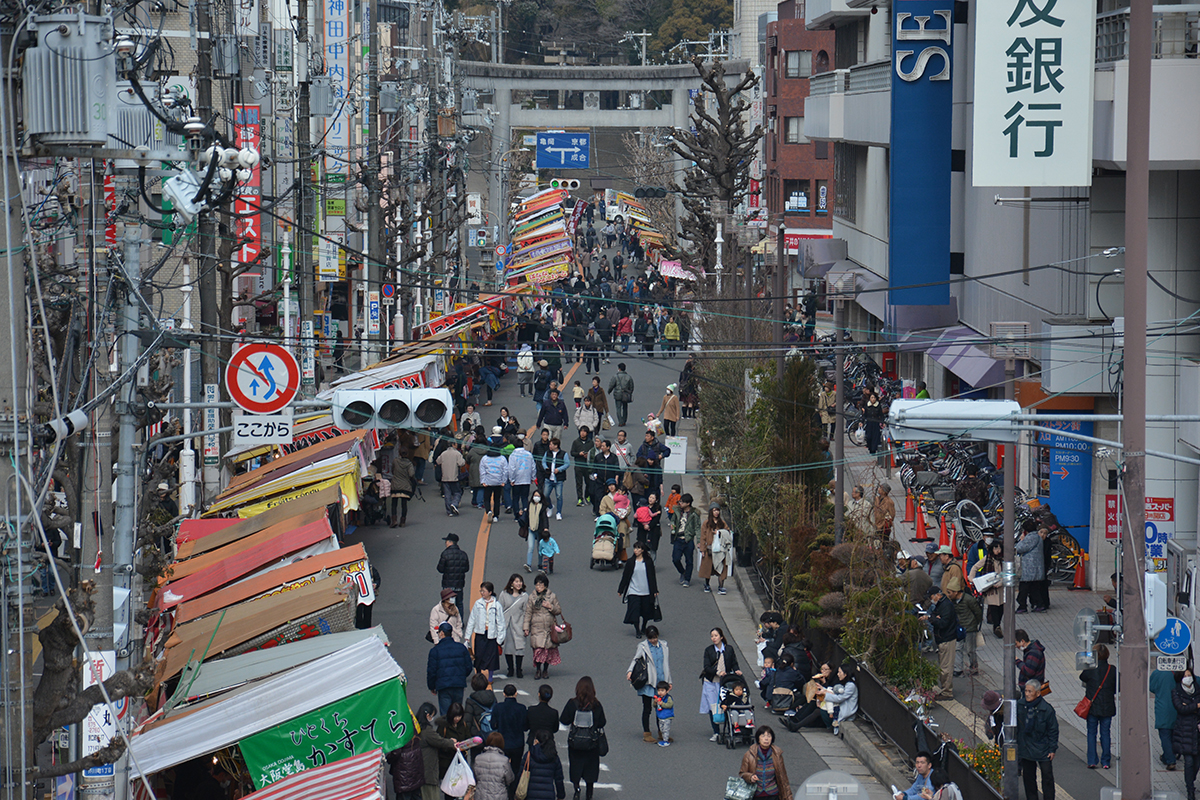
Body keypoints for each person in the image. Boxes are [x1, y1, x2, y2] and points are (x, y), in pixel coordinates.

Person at [559, 677, 607, 800]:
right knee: (591, 767)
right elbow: (602, 722)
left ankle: (577, 789)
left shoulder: (572, 703)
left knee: (575, 765)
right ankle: (589, 792)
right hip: (592, 742)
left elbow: (564, 719)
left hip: (575, 742)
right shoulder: (596, 705)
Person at [626, 624, 672, 742]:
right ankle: (647, 733)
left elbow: (666, 664)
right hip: (649, 682)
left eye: (655, 637)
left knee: (660, 708)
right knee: (647, 708)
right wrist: (630, 671)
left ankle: (662, 732)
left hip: (661, 683)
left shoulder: (664, 646)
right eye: (650, 638)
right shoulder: (643, 646)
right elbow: (635, 659)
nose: (653, 640)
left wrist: (669, 681)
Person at [1016, 679, 1058, 800]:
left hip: (1043, 747)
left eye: (1030, 691)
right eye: (1026, 691)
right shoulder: (1020, 705)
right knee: (1028, 777)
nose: (1027, 694)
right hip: (1026, 747)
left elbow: (1053, 730)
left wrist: (1052, 749)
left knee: (1047, 776)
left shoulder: (1046, 709)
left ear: (1038, 693)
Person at [789, 662, 858, 734]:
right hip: (837, 707)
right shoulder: (845, 683)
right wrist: (823, 689)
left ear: (845, 674)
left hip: (843, 711)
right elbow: (834, 694)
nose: (838, 674)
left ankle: (797, 725)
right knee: (815, 708)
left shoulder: (850, 686)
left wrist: (825, 693)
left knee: (818, 711)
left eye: (840, 672)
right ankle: (796, 723)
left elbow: (839, 698)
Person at [1079, 643, 1117, 769]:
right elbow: (1118, 687)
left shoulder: (1090, 669)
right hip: (1107, 706)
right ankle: (1106, 761)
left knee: (1091, 733)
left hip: (1092, 706)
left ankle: (1092, 760)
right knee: (1105, 733)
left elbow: (1082, 677)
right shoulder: (1112, 669)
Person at [700, 627, 742, 741]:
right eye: (712, 636)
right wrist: (718, 672)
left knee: (727, 704)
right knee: (713, 706)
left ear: (721, 637)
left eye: (716, 636)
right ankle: (716, 732)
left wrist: (737, 670)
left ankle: (731, 729)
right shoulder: (709, 650)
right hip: (711, 682)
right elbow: (707, 667)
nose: (714, 638)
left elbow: (734, 662)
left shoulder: (729, 649)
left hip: (725, 682)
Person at [413, 702, 458, 800]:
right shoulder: (427, 731)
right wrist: (452, 743)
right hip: (428, 771)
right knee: (431, 795)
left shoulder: (416, 727)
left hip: (419, 768)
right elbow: (439, 741)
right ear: (427, 716)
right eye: (432, 715)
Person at [427, 622, 473, 716]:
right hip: (458, 684)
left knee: (446, 714)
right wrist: (461, 676)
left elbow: (432, 671)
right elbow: (468, 666)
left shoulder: (435, 651)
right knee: (457, 712)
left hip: (443, 686)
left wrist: (432, 686)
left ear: (442, 633)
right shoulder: (461, 648)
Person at [921, 585, 957, 700]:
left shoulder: (946, 606)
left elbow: (943, 623)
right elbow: (936, 617)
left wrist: (932, 619)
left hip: (947, 638)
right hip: (943, 638)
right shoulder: (941, 604)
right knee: (944, 666)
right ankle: (945, 689)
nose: (931, 599)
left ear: (937, 595)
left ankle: (947, 692)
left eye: (931, 597)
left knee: (945, 667)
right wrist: (935, 617)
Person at [524, 573, 563, 679]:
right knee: (538, 650)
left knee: (548, 650)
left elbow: (558, 610)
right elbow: (528, 613)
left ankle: (545, 670)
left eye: (541, 585)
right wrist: (526, 627)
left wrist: (550, 606)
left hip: (549, 627)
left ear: (545, 586)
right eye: (537, 585)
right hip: (537, 627)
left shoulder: (552, 596)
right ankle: (538, 670)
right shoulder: (532, 597)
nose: (538, 587)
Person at [466, 581, 507, 681]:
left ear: (490, 592)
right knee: (479, 655)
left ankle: (490, 676)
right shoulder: (478, 603)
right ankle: (478, 675)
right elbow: (472, 619)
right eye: (481, 591)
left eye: (484, 591)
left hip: (492, 635)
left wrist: (500, 639)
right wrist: (467, 635)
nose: (482, 593)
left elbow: (501, 623)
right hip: (480, 633)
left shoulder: (496, 605)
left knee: (491, 657)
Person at [618, 540, 659, 638]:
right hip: (634, 591)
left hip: (646, 591)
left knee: (646, 612)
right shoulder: (631, 562)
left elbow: (652, 577)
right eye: (635, 548)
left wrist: (655, 590)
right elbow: (625, 576)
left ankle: (644, 626)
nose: (636, 550)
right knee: (635, 612)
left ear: (643, 550)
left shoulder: (648, 562)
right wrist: (621, 589)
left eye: (638, 548)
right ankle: (637, 630)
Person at [738, 726, 793, 800]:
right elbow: (742, 773)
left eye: (769, 736)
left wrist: (788, 797)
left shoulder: (777, 755)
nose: (766, 738)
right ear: (758, 738)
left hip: (773, 795)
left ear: (772, 739)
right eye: (763, 736)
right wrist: (750, 777)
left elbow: (783, 777)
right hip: (755, 795)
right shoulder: (749, 755)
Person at [970, 539, 1006, 638]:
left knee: (1001, 608)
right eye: (995, 548)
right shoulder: (987, 558)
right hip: (991, 589)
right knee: (994, 607)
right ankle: (997, 626)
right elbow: (975, 567)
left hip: (1001, 588)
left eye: (999, 548)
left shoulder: (1003, 559)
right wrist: (971, 578)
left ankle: (997, 625)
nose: (998, 550)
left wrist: (1001, 582)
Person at [1173, 671, 1200, 799]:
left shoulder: (1198, 690)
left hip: (1196, 731)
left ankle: (1191, 780)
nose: (1187, 678)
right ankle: (1190, 789)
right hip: (1184, 731)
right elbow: (1181, 709)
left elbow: (1187, 709)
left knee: (1197, 763)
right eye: (1184, 676)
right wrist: (1196, 706)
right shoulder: (1176, 692)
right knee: (1188, 762)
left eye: (1189, 675)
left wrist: (1190, 707)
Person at [492, 683, 529, 776]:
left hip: (502, 743)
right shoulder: (522, 708)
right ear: (516, 693)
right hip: (517, 743)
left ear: (504, 694)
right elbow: (525, 727)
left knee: (501, 767)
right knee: (516, 768)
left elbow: (493, 725)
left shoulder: (498, 707)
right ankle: (514, 784)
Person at [499, 574, 530, 679]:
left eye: (520, 581)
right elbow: (499, 609)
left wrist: (526, 627)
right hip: (506, 625)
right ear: (511, 583)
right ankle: (510, 669)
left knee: (519, 648)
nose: (519, 583)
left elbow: (526, 612)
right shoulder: (504, 594)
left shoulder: (524, 596)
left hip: (519, 625)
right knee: (508, 648)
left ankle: (519, 669)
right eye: (516, 581)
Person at [698, 503, 734, 595]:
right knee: (708, 568)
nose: (716, 512)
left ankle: (721, 586)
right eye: (714, 510)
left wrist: (719, 533)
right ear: (711, 512)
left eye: (717, 510)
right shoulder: (706, 523)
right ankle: (707, 584)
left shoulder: (722, 523)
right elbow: (703, 536)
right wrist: (702, 549)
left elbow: (728, 532)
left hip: (720, 549)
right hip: (709, 549)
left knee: (722, 568)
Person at [525, 728, 567, 800]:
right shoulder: (554, 757)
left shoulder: (529, 755)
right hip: (548, 795)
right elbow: (559, 779)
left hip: (531, 794)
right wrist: (561, 795)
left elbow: (520, 774)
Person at [948, 586, 981, 677]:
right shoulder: (953, 601)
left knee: (970, 650)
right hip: (960, 627)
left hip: (970, 627)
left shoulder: (969, 600)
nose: (949, 595)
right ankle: (958, 669)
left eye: (950, 592)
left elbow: (978, 612)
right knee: (958, 648)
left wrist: (975, 624)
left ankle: (974, 667)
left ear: (956, 592)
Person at [1152, 667, 1180, 772]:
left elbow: (1152, 687)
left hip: (1163, 708)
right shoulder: (1181, 671)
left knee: (1165, 735)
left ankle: (1170, 760)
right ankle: (1167, 755)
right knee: (1174, 734)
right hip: (1179, 707)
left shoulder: (1158, 672)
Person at [473, 732, 515, 800]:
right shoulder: (504, 760)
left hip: (481, 795)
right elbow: (510, 779)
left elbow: (475, 777)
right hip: (498, 796)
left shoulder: (478, 758)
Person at [464, 673, 498, 755]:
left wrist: (466, 738)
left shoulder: (471, 700)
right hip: (492, 734)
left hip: (477, 735)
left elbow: (467, 720)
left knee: (476, 759)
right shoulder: (492, 698)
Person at [1015, 527, 1048, 613]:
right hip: (1035, 569)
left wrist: (1021, 540)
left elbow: (1019, 548)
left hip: (1028, 569)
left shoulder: (1031, 537)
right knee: (1034, 588)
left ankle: (1022, 606)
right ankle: (1040, 605)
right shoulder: (1038, 538)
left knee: (1024, 588)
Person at [671, 492, 700, 587]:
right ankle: (682, 572)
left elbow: (697, 528)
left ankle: (687, 579)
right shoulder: (677, 511)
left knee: (689, 561)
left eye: (682, 502)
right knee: (675, 559)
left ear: (688, 503)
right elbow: (673, 520)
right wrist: (673, 525)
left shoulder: (694, 514)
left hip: (688, 539)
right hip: (678, 538)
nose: (680, 503)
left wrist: (699, 541)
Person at [437, 533, 470, 612]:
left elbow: (440, 569)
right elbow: (466, 569)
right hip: (459, 584)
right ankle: (460, 619)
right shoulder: (463, 554)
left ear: (450, 542)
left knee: (448, 604)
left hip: (447, 585)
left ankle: (449, 619)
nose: (445, 543)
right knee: (459, 604)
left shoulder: (445, 554)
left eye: (446, 541)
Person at [386, 733, 425, 800]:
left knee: (404, 796)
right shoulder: (414, 730)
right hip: (416, 770)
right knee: (415, 795)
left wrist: (388, 758)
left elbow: (395, 752)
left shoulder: (399, 733)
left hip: (403, 772)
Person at [480, 438, 510, 522]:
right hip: (498, 482)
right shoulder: (502, 458)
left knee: (487, 498)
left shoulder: (485, 458)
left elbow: (482, 471)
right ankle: (496, 516)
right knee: (497, 499)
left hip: (488, 481)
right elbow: (505, 471)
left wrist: (483, 481)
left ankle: (488, 510)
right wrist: (504, 481)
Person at [541, 438, 569, 520]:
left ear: (556, 446)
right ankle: (550, 507)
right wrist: (546, 468)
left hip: (558, 479)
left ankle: (558, 512)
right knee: (545, 495)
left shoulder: (563, 454)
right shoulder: (547, 453)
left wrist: (559, 469)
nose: (549, 446)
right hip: (548, 478)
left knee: (559, 496)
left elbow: (567, 464)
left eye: (551, 444)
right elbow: (543, 461)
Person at [438, 441, 466, 516]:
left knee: (447, 494)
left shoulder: (443, 453)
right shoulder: (457, 453)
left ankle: (449, 511)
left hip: (445, 477)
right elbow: (461, 463)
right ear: (453, 445)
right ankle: (454, 503)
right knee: (457, 492)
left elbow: (438, 461)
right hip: (454, 477)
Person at [390, 448, 416, 527]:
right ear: (407, 454)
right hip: (405, 486)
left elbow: (392, 470)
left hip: (395, 485)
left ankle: (394, 520)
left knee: (394, 504)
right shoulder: (409, 464)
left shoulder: (395, 461)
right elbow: (411, 474)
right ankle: (402, 521)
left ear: (399, 453)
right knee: (404, 504)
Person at [509, 443, 536, 521]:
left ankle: (517, 515)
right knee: (525, 498)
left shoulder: (513, 455)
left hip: (517, 480)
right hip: (526, 479)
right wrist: (533, 477)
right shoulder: (529, 454)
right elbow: (533, 467)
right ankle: (525, 514)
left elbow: (511, 468)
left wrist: (511, 479)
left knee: (516, 498)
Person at [569, 427, 593, 508]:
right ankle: (580, 498)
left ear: (587, 433)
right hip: (578, 465)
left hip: (587, 465)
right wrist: (579, 454)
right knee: (579, 483)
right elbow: (572, 453)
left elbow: (593, 452)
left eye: (584, 431)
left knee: (588, 482)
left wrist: (588, 455)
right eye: (581, 431)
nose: (582, 433)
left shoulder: (590, 442)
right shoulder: (576, 442)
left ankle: (587, 496)